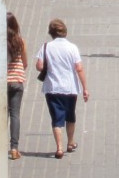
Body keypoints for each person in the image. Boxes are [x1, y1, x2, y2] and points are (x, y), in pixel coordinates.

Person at [35, 19, 89, 159]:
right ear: (65, 31)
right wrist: (85, 88)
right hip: (70, 88)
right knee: (70, 115)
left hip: (52, 87)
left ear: (51, 33)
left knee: (56, 118)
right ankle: (70, 142)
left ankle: (59, 148)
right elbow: (79, 68)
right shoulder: (72, 47)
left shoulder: (46, 47)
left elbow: (39, 66)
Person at [7, 12, 28, 161]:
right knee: (15, 115)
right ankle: (14, 149)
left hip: (2, 83)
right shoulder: (20, 41)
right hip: (17, 81)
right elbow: (25, 62)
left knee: (2, 116)